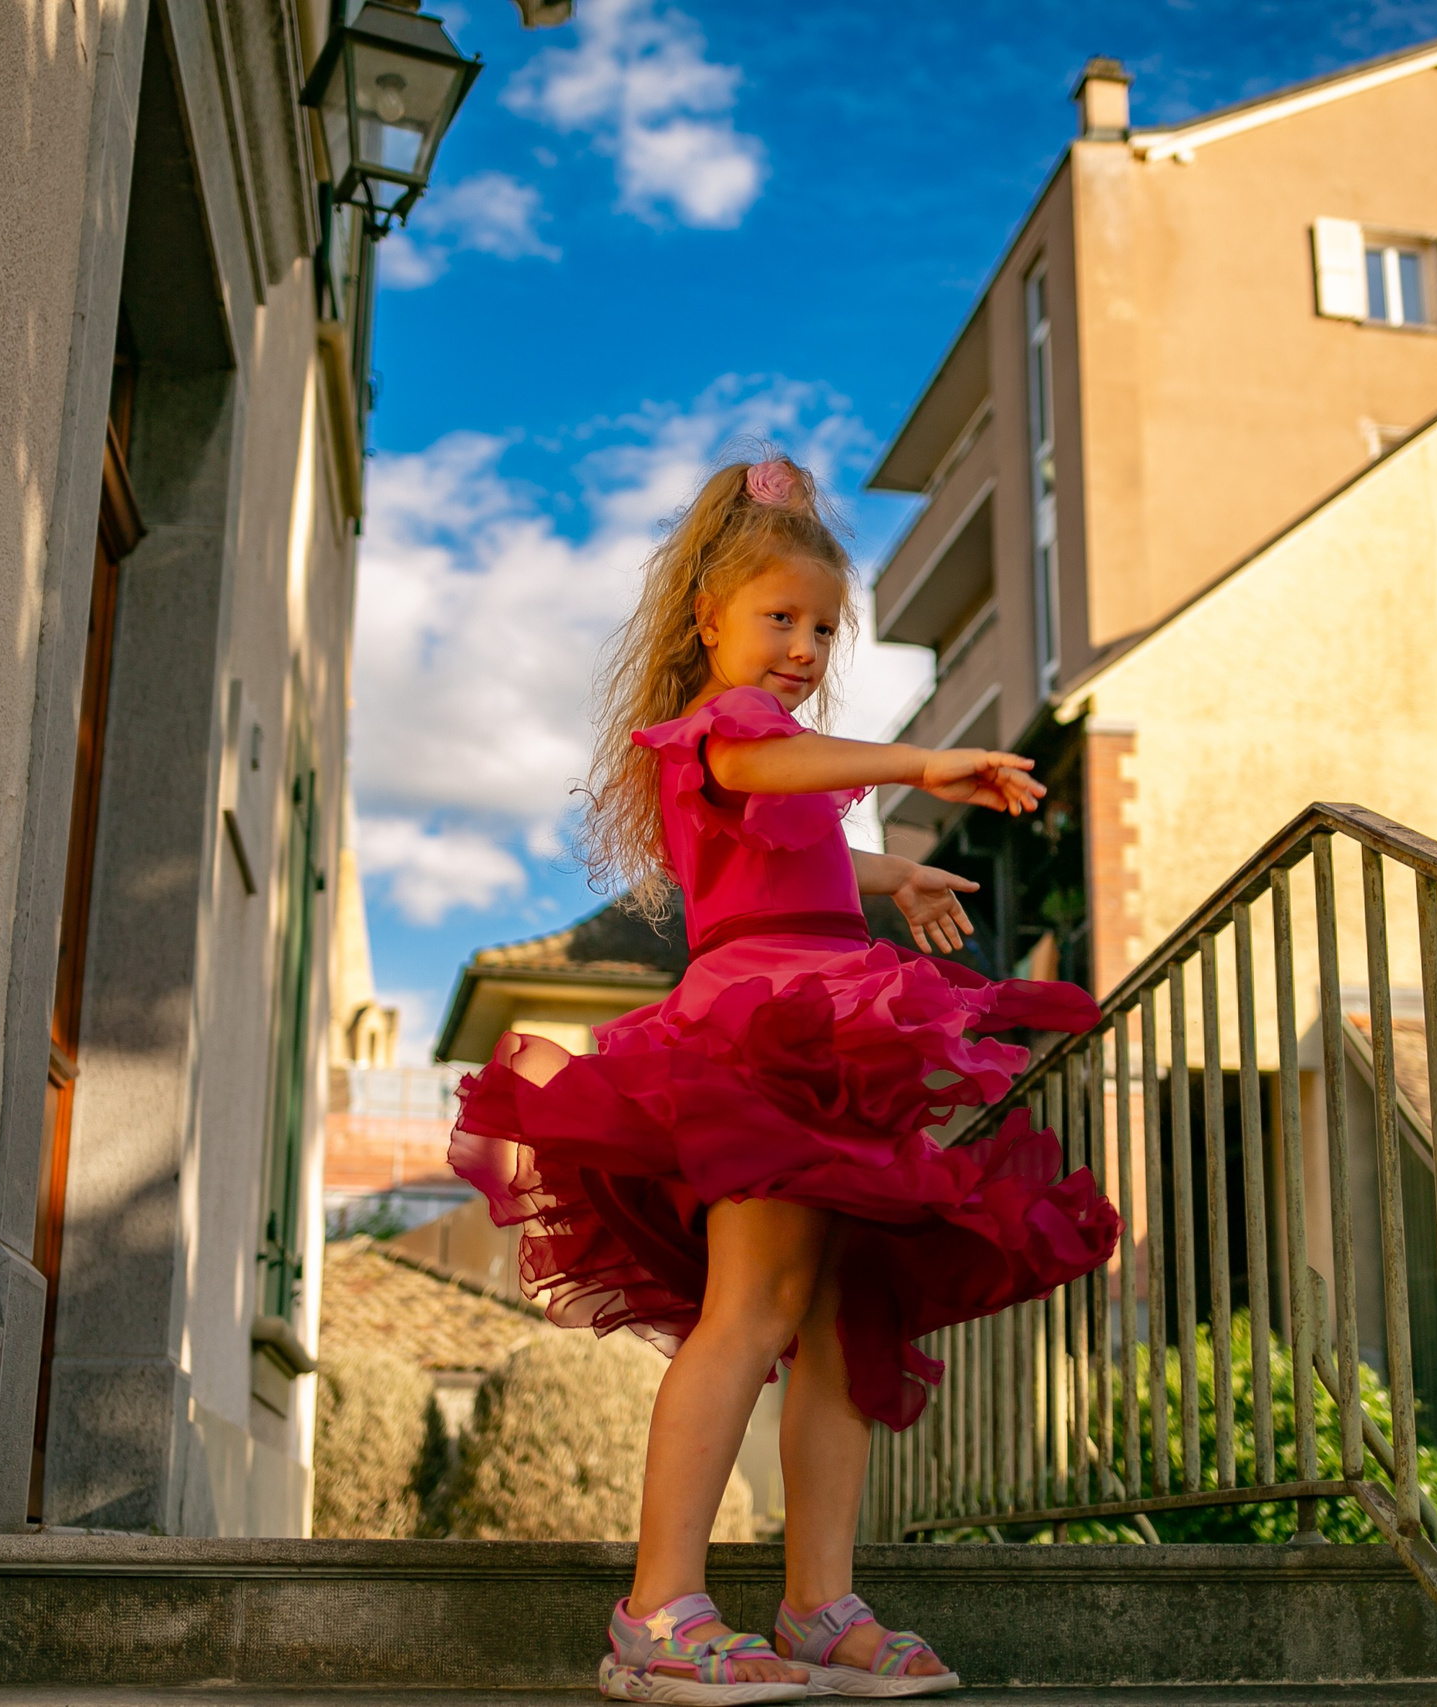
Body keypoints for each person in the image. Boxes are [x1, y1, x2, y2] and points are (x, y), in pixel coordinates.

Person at [449, 456, 1118, 1705]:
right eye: (780, 619)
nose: (804, 646)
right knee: (753, 1309)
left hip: (831, 1022)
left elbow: (803, 839)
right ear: (709, 618)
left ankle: (820, 1606)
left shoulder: (791, 750)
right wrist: (921, 765)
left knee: (840, 1328)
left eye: (822, 626)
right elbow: (758, 778)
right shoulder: (726, 726)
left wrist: (891, 879)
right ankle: (657, 1611)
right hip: (761, 1037)